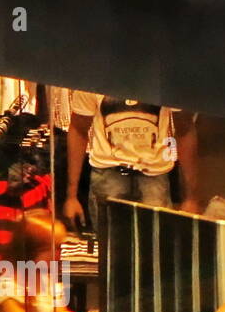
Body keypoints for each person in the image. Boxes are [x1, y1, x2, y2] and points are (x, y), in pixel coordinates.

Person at [64, 91, 200, 229]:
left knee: (154, 242)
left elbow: (185, 129)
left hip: (153, 174)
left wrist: (190, 198)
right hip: (108, 172)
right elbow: (78, 129)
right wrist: (71, 196)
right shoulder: (94, 78)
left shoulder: (163, 78)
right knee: (112, 243)